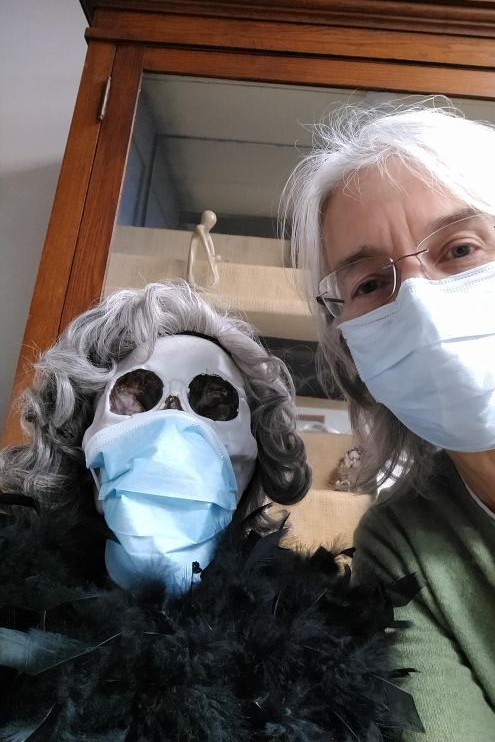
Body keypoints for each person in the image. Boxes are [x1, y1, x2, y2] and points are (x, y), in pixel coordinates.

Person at [284, 104, 495, 742]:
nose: (421, 305)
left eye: (460, 249)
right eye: (371, 284)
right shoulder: (401, 546)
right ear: (353, 348)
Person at [0, 281, 421, 741]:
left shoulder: (323, 658)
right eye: (135, 398)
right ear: (83, 446)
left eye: (213, 402)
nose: (172, 428)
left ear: (252, 462)